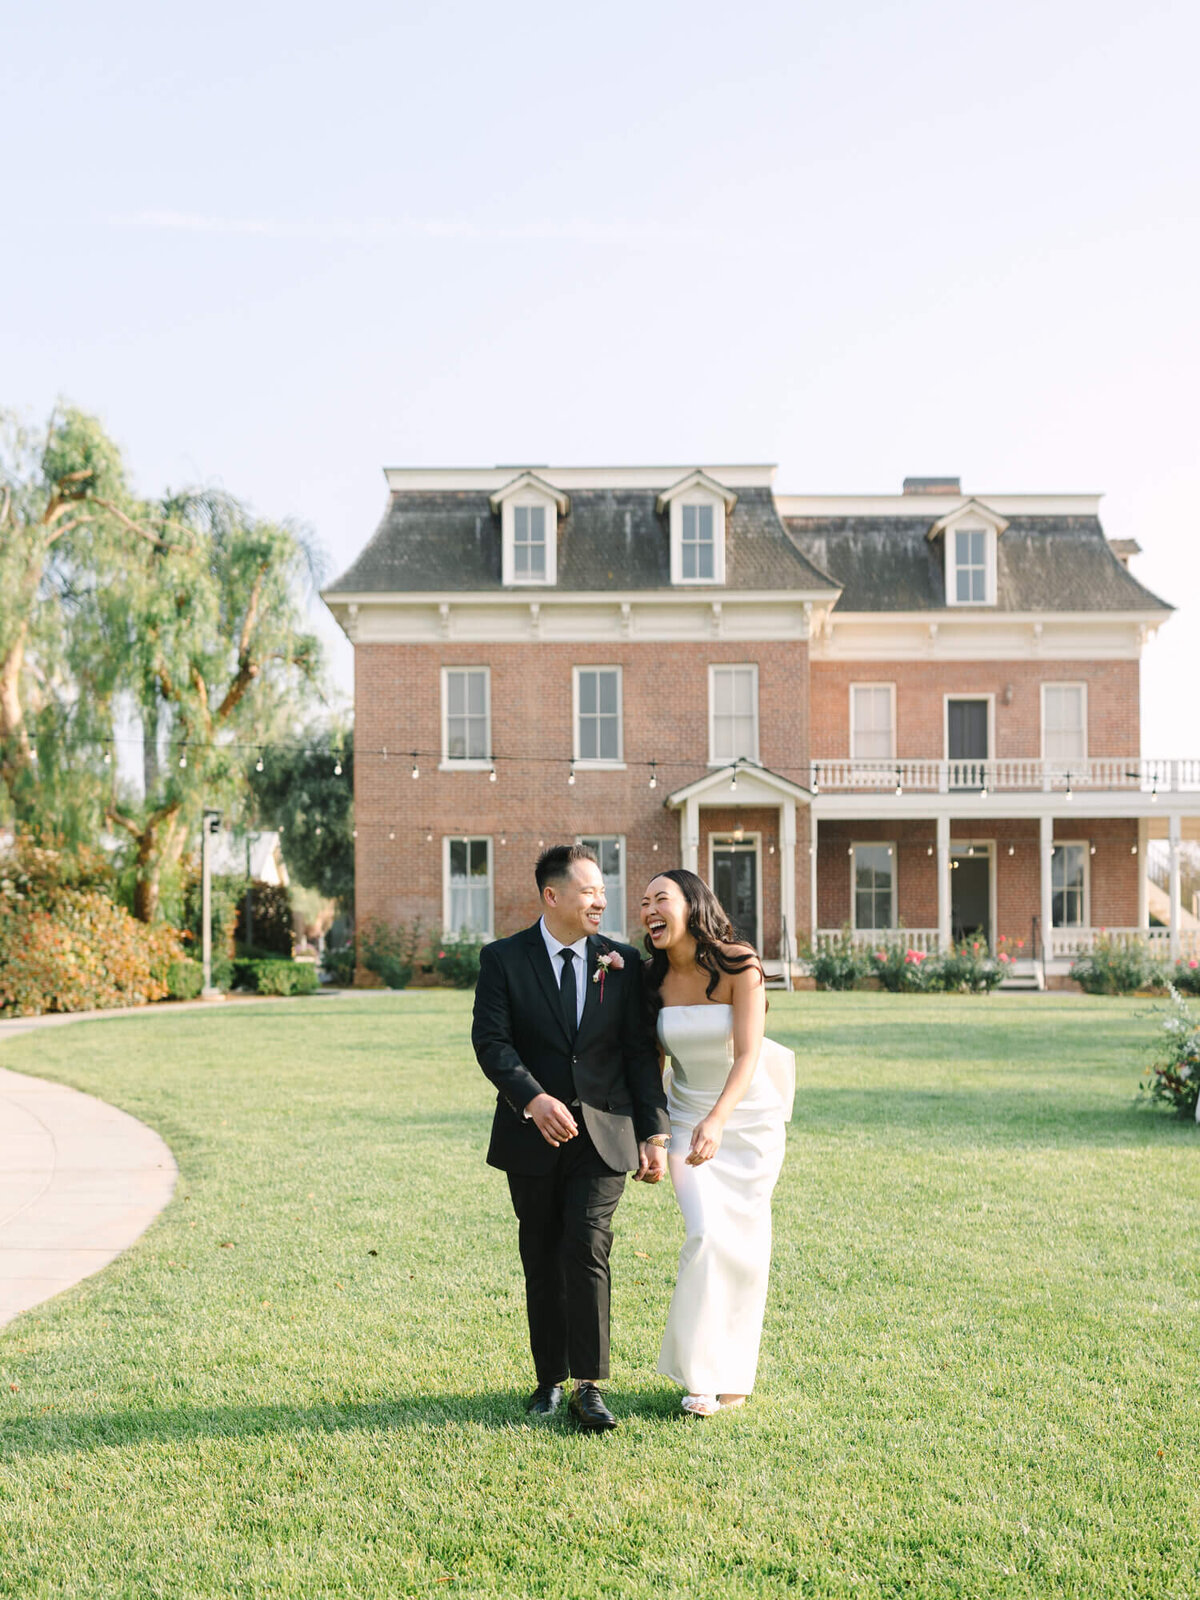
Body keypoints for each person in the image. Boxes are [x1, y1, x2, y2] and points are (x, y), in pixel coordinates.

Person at [472, 844, 670, 1432]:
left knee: (587, 1242)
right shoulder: (503, 959)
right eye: (590, 891)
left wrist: (653, 1132)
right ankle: (548, 1380)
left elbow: (640, 1054)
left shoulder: (622, 961)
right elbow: (492, 1042)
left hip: (605, 1133)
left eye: (604, 891)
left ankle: (589, 1384)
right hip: (531, 1136)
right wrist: (532, 1098)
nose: (602, 901)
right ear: (552, 896)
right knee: (541, 1250)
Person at [640, 867, 795, 1417]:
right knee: (706, 1235)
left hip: (747, 1121)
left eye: (660, 898)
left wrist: (720, 1119)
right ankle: (699, 1375)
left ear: (691, 905)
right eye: (643, 903)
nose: (648, 910)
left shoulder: (739, 964)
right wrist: (656, 1134)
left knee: (746, 1250)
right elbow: (650, 1064)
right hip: (683, 1118)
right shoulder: (649, 979)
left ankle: (735, 1374)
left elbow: (750, 1053)